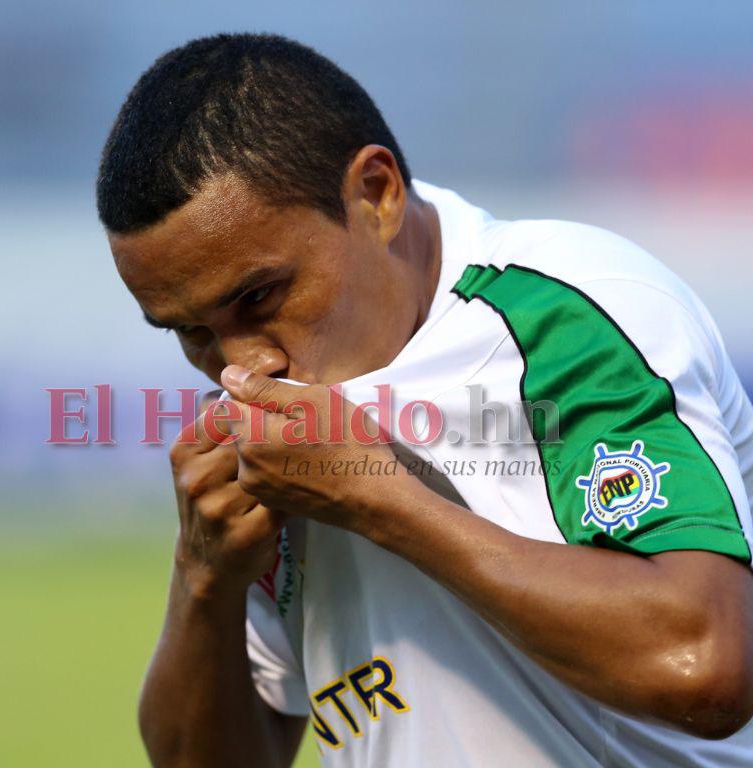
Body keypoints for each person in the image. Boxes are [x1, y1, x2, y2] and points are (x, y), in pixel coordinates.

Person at [96, 33, 753, 767]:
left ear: (376, 195)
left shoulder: (567, 311)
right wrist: (203, 576)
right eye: (190, 331)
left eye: (261, 297)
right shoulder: (278, 444)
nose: (241, 365)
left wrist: (378, 496)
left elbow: (706, 666)